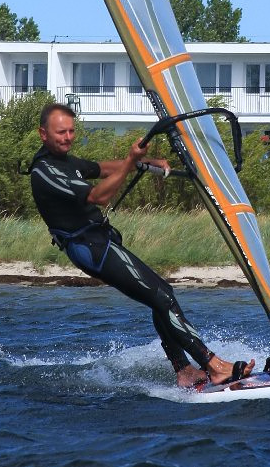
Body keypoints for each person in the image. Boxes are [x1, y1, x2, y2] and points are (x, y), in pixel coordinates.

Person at [29, 103, 255, 388]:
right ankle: (213, 364)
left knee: (158, 297)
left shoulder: (65, 162)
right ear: (43, 133)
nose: (68, 137)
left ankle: (184, 370)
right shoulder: (45, 172)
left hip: (100, 240)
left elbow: (100, 169)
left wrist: (141, 164)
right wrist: (130, 161)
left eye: (72, 131)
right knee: (162, 296)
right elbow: (98, 196)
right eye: (61, 132)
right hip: (91, 248)